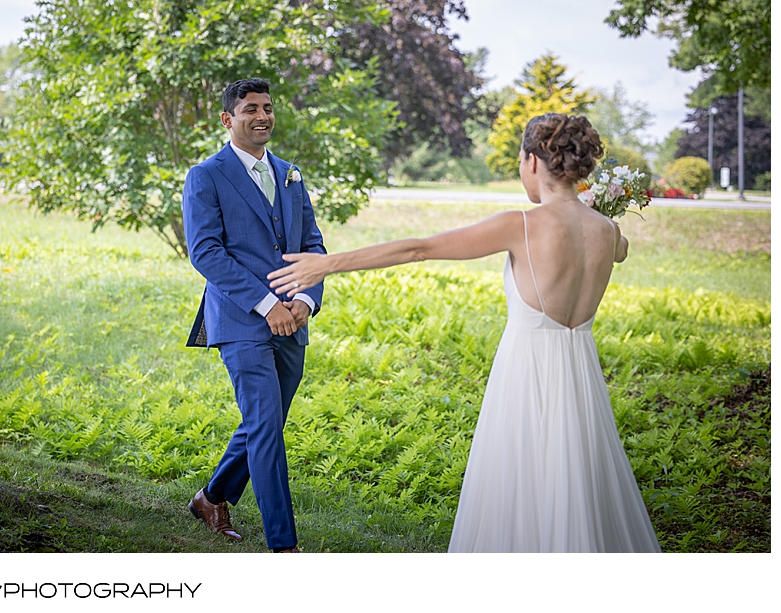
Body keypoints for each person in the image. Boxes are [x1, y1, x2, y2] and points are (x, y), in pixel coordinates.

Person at [267, 113, 661, 553]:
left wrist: (327, 263)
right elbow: (621, 250)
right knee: (580, 479)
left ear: (533, 161)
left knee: (521, 481)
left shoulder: (523, 224)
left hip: (527, 374)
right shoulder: (608, 231)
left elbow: (420, 249)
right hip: (580, 377)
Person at [182, 77, 326, 553]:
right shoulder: (206, 175)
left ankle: (212, 497)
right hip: (242, 319)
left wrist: (304, 301)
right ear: (228, 119)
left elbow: (313, 246)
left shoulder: (290, 173)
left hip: (293, 317)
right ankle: (284, 547)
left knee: (265, 423)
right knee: (265, 426)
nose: (263, 117)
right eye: (251, 110)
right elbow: (206, 253)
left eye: (267, 108)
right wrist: (267, 305)